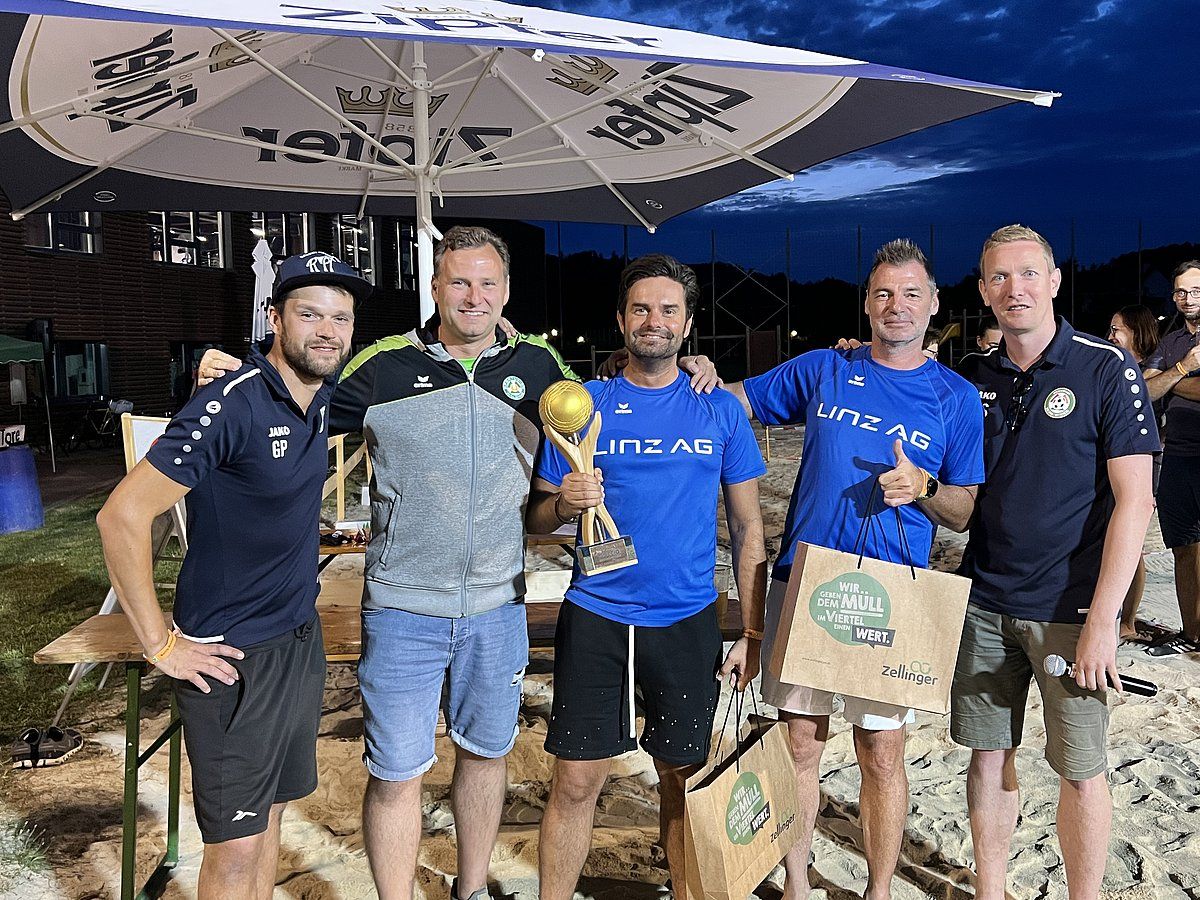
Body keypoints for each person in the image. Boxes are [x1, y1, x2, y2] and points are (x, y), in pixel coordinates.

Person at [97, 251, 368, 900]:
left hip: (297, 644)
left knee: (272, 816)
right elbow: (121, 518)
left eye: (340, 317)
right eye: (309, 314)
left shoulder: (323, 397)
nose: (327, 329)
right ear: (276, 318)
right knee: (236, 847)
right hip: (230, 657)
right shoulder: (231, 402)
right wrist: (160, 642)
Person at [729, 239, 984, 900]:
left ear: (933, 305)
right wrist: (676, 378)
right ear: (866, 304)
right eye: (883, 294)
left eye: (910, 294)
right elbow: (736, 404)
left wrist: (923, 486)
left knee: (881, 752)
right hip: (806, 578)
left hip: (892, 596)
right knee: (801, 748)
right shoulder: (826, 368)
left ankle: (877, 889)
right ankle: (794, 882)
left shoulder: (953, 397)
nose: (896, 306)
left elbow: (963, 511)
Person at [527, 253, 768, 900]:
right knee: (577, 782)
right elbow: (539, 520)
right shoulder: (584, 405)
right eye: (641, 309)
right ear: (619, 319)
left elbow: (748, 531)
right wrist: (564, 503)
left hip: (685, 620)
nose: (653, 321)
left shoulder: (719, 410)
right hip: (598, 614)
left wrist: (752, 631)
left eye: (667, 310)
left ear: (688, 327)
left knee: (682, 779)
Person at [951, 225, 1158, 900]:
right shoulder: (972, 378)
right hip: (983, 602)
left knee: (1079, 766)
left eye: (1029, 273)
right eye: (1000, 278)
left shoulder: (1105, 366)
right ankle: (990, 890)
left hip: (1071, 610)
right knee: (987, 755)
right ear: (984, 291)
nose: (1016, 289)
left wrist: (1105, 622)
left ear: (1056, 280)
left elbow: (1136, 502)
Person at [1139, 261, 1200, 656]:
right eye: (1180, 291)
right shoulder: (1173, 340)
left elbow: (1160, 387)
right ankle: (1192, 634)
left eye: (1195, 290)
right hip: (1177, 454)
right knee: (1184, 546)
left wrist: (1171, 383)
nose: (1187, 298)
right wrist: (1183, 369)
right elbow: (1144, 390)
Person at [1107, 304, 1163, 642]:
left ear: (1137, 334)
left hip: (1143, 462)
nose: (1110, 335)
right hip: (1113, 459)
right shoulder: (1113, 368)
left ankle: (1127, 621)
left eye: (1117, 329)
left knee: (1131, 542)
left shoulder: (1148, 372)